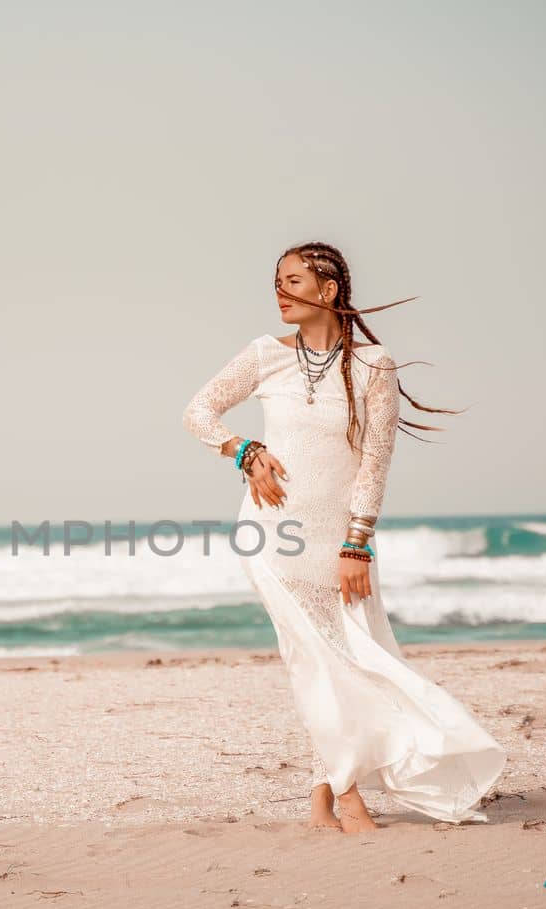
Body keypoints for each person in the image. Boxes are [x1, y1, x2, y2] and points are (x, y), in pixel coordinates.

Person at [182, 241, 507, 832]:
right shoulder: (264, 355)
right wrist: (245, 451)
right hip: (271, 536)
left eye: (294, 281)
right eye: (277, 281)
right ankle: (349, 790)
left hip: (341, 542)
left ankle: (322, 797)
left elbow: (374, 464)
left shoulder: (374, 367)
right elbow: (199, 411)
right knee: (312, 658)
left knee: (345, 660)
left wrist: (357, 544)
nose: (280, 291)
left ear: (328, 291)